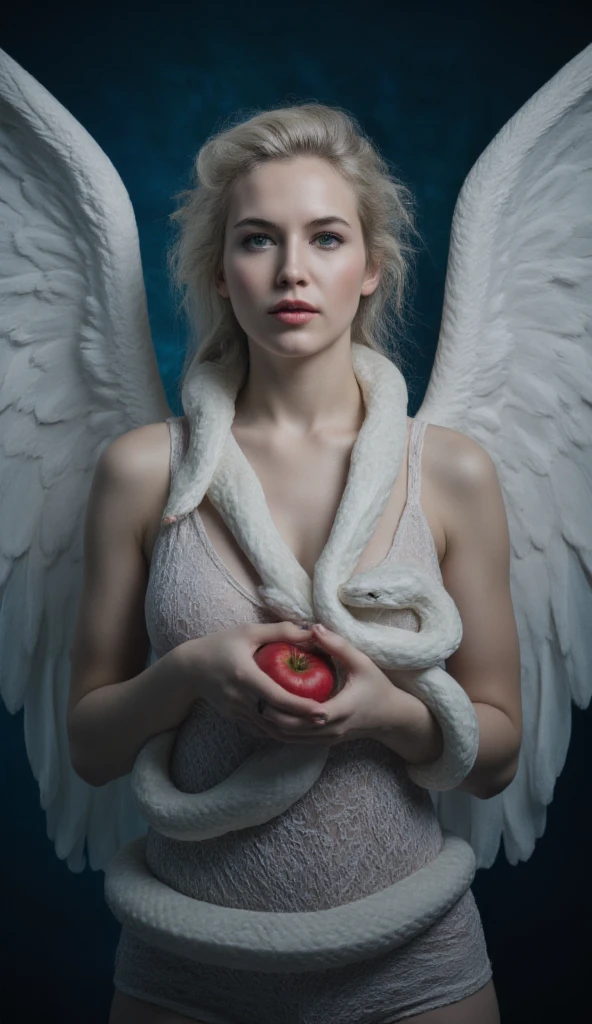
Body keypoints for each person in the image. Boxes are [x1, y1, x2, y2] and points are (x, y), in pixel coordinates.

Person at [68, 104, 520, 1023]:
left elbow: (499, 753)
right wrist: (193, 671)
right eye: (257, 240)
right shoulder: (142, 470)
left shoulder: (454, 471)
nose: (292, 272)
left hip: (414, 965)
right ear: (220, 271)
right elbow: (90, 745)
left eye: (325, 238)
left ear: (371, 268)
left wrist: (389, 712)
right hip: (185, 965)